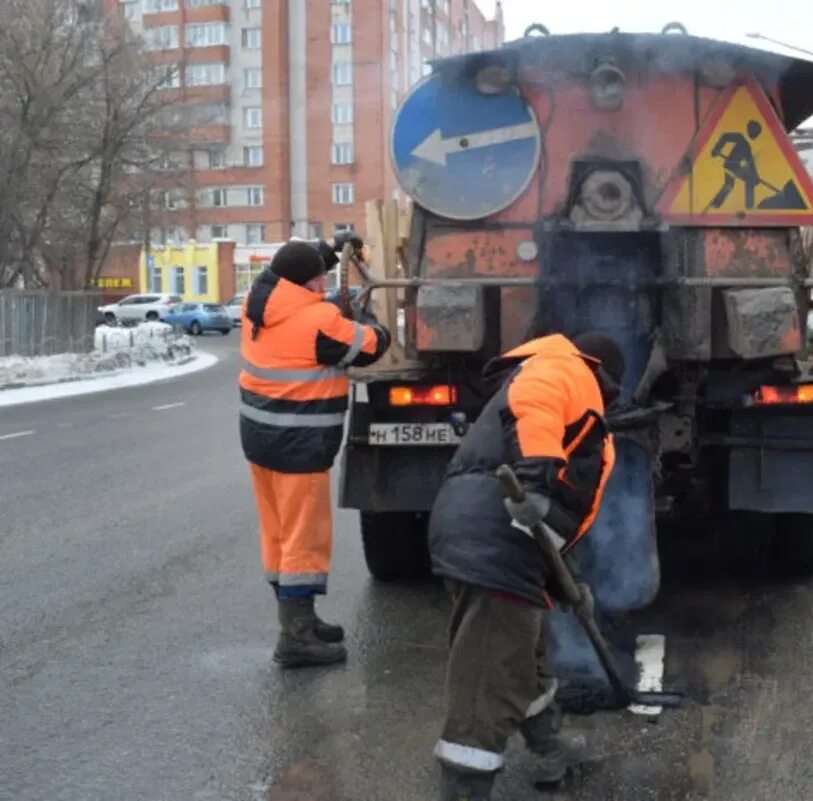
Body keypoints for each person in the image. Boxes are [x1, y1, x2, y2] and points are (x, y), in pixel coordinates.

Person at [427, 332, 625, 801]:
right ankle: (464, 789)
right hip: (494, 540)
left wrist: (566, 580)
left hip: (489, 536)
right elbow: (535, 404)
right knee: (487, 683)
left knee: (520, 655)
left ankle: (549, 747)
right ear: (606, 373)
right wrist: (535, 479)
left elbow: (552, 520)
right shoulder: (564, 368)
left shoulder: (571, 390)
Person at [239, 234, 391, 668]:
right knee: (303, 541)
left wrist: (328, 249)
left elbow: (288, 269)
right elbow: (372, 345)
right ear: (308, 284)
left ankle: (297, 620)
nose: (323, 284)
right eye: (319, 278)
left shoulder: (260, 299)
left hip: (260, 439)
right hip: (299, 446)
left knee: (277, 533)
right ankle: (297, 639)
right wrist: (365, 313)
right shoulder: (319, 322)